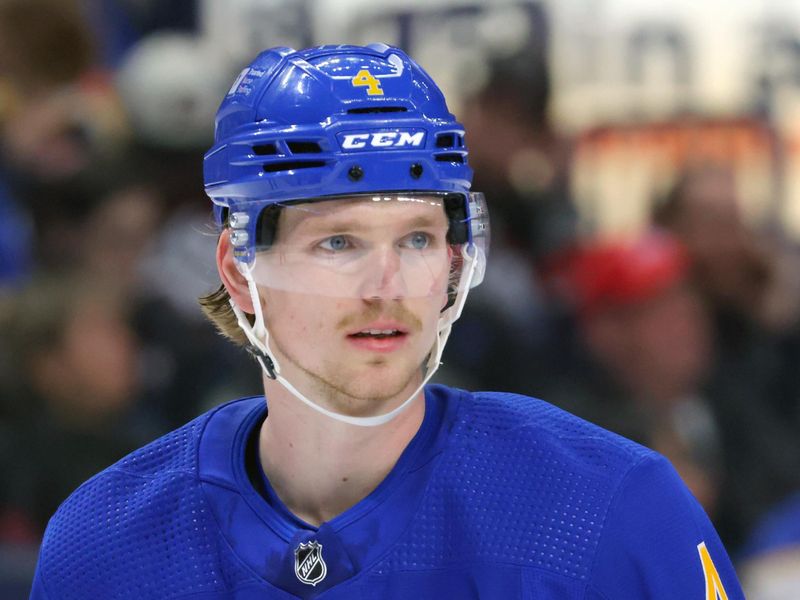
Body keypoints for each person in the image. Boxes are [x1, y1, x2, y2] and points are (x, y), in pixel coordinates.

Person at [30, 44, 744, 599]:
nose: (387, 287)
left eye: (417, 239)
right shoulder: (106, 543)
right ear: (238, 268)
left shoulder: (612, 509)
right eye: (337, 242)